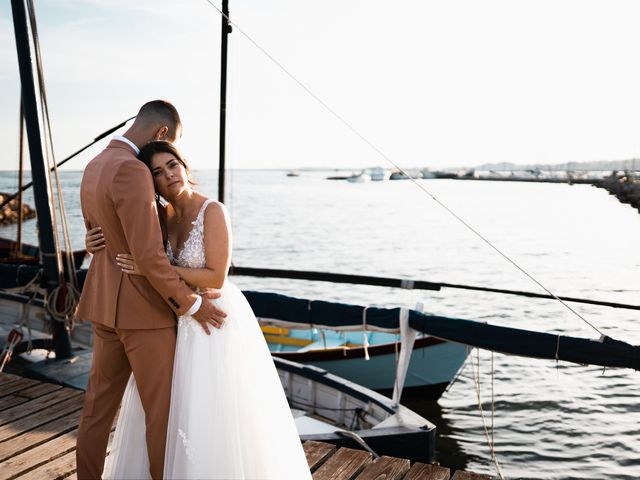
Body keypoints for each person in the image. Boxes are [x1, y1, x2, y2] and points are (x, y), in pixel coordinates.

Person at [87, 141, 312, 479]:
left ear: (185, 166)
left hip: (211, 315)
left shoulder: (213, 211)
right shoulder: (158, 216)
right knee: (175, 407)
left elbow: (216, 275)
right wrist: (91, 243)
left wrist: (152, 267)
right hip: (175, 317)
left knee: (214, 406)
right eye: (158, 174)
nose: (168, 176)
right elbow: (125, 242)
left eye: (172, 165)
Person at [76, 100, 227, 480]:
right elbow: (148, 256)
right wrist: (190, 305)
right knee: (161, 418)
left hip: (104, 307)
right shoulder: (130, 169)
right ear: (162, 134)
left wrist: (94, 242)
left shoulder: (95, 165)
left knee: (96, 411)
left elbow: (100, 234)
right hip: (144, 314)